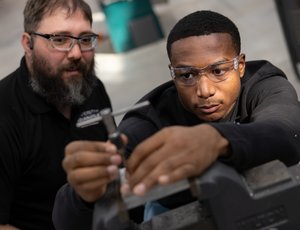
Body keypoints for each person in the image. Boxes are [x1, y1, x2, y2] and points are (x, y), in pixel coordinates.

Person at [52, 10, 300, 229]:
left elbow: (286, 131)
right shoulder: (149, 122)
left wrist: (216, 140)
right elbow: (67, 220)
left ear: (241, 65)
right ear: (173, 74)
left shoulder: (264, 86)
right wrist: (84, 194)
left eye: (218, 71)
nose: (204, 90)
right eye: (187, 75)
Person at [0, 0, 119, 229]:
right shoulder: (5, 115)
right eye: (60, 39)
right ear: (28, 43)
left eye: (85, 39)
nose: (76, 53)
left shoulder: (92, 89)